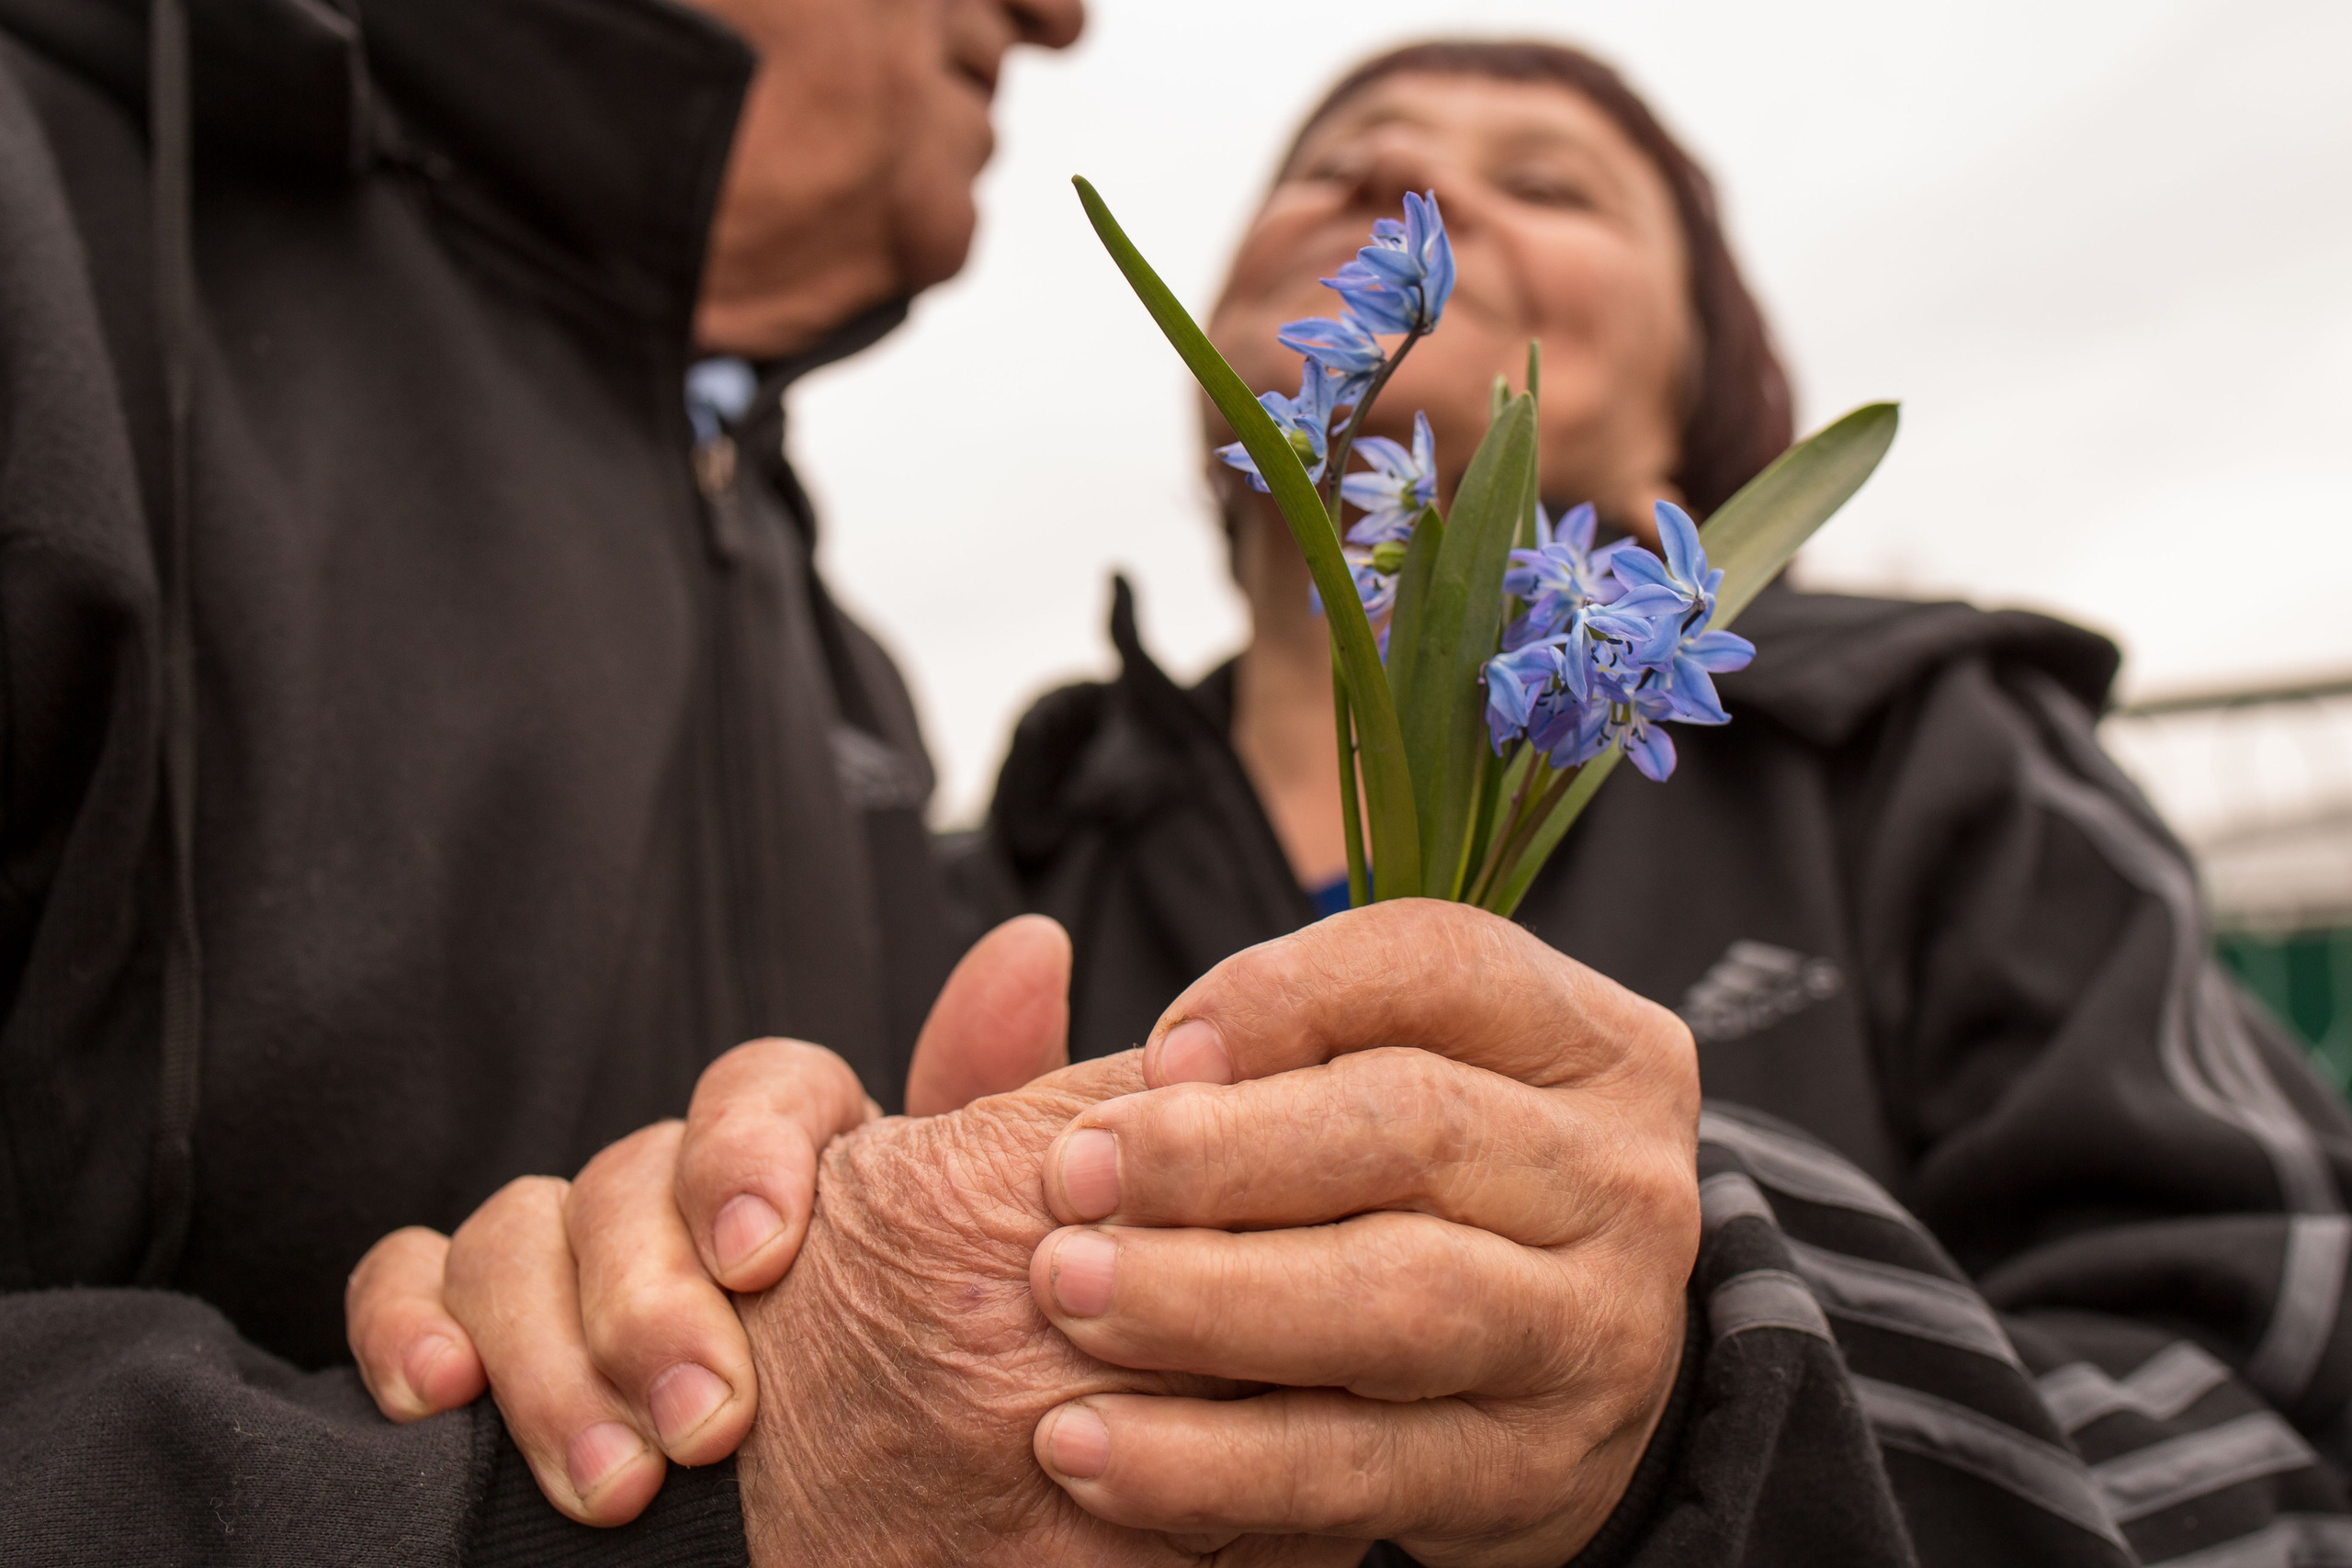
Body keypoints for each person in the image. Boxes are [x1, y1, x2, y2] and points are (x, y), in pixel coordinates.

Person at [351, 37, 2352, 1568]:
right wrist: (659, 1280)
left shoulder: (1927, 752)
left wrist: (1704, 1380)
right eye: (1335, 165)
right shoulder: (987, 863)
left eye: (1544, 183)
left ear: (1694, 412)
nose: (1407, 181)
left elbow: (2279, 1429)